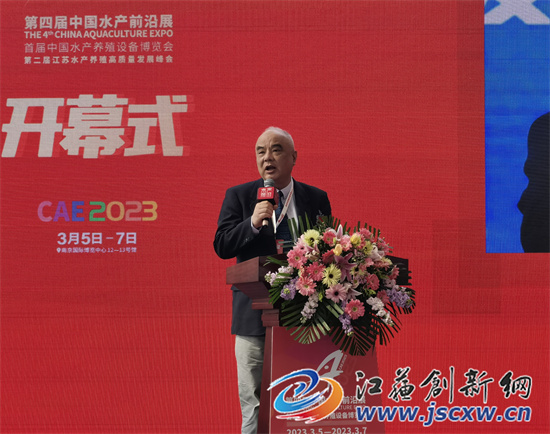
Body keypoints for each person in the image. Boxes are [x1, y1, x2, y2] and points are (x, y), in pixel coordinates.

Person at [213, 126, 331, 433]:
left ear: (294, 157)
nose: (267, 157)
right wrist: (252, 222)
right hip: (253, 316)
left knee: (303, 404)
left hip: (305, 318)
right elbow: (222, 245)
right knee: (254, 405)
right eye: (261, 151)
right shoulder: (240, 196)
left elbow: (327, 251)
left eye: (276, 150)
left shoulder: (316, 198)